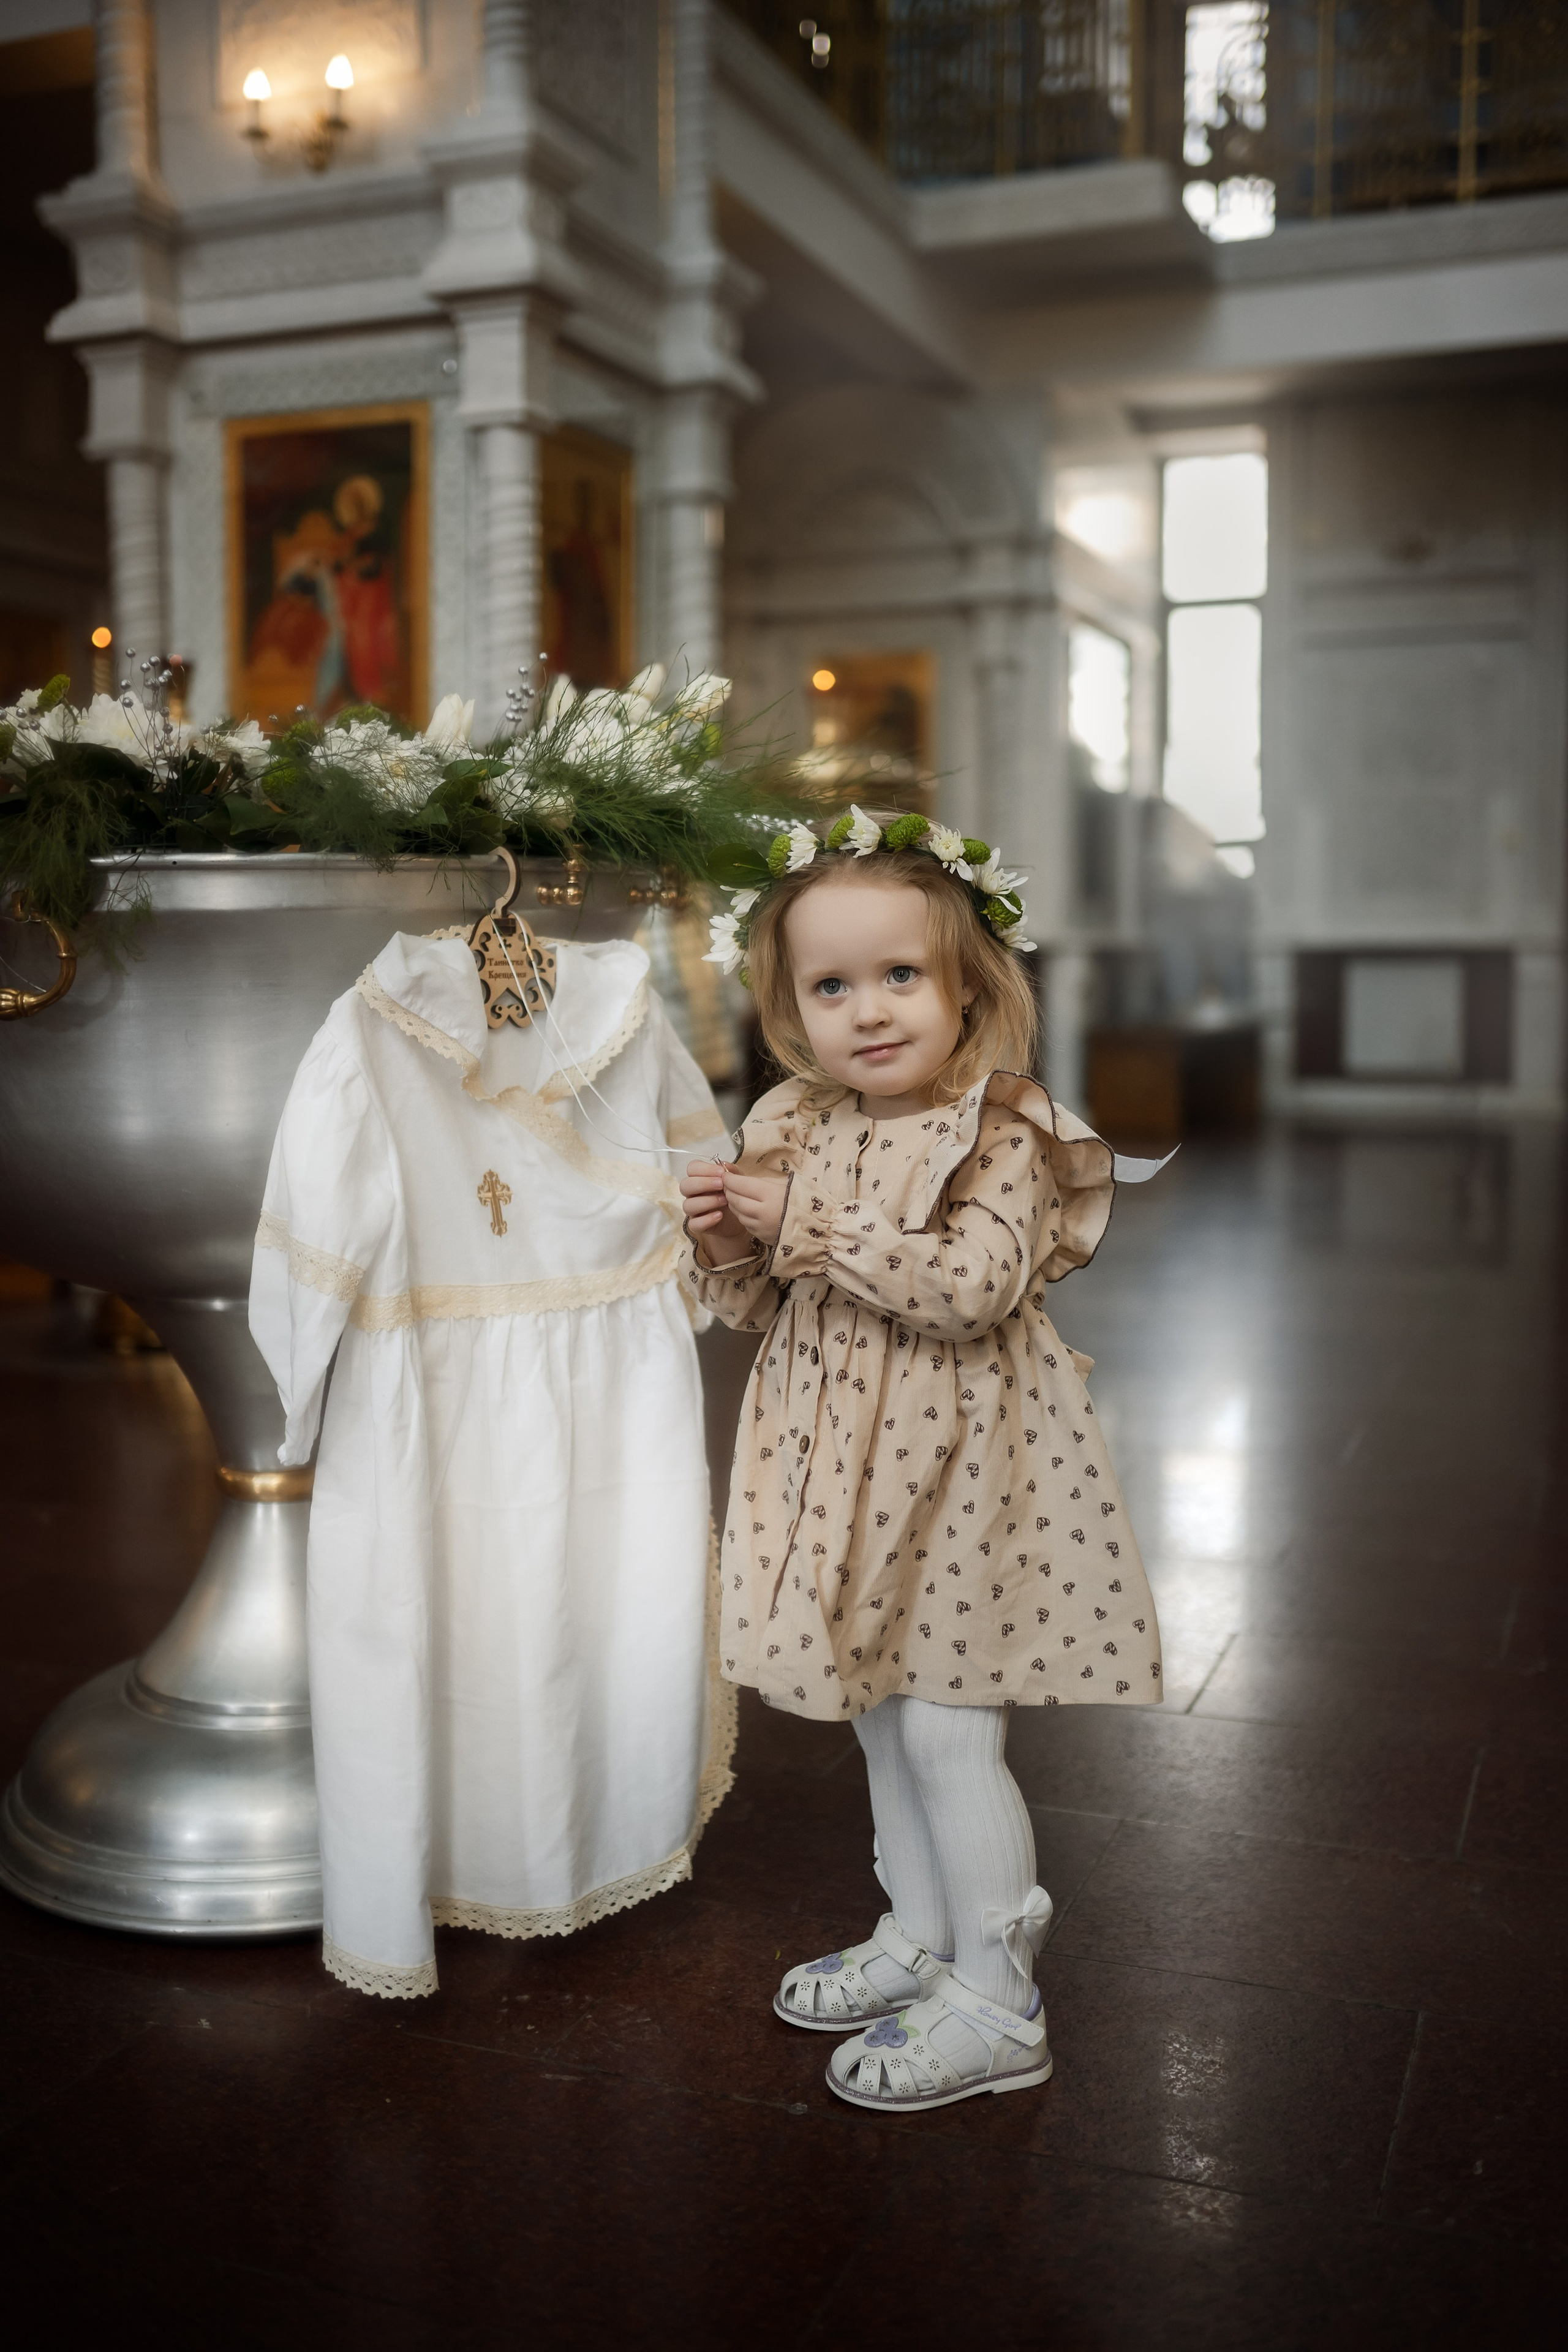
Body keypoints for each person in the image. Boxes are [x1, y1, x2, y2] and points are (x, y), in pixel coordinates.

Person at [679, 809, 1163, 2114]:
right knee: (881, 1713)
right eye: (831, 986)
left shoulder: (1001, 1129)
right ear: (790, 1008)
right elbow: (756, 1304)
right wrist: (726, 1238)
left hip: (960, 1471)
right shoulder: (793, 1119)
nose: (870, 1009)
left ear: (969, 987)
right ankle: (924, 1935)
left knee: (948, 1726)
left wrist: (806, 1219)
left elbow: (968, 1288)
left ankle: (1001, 2001)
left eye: (900, 974)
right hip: (840, 1471)